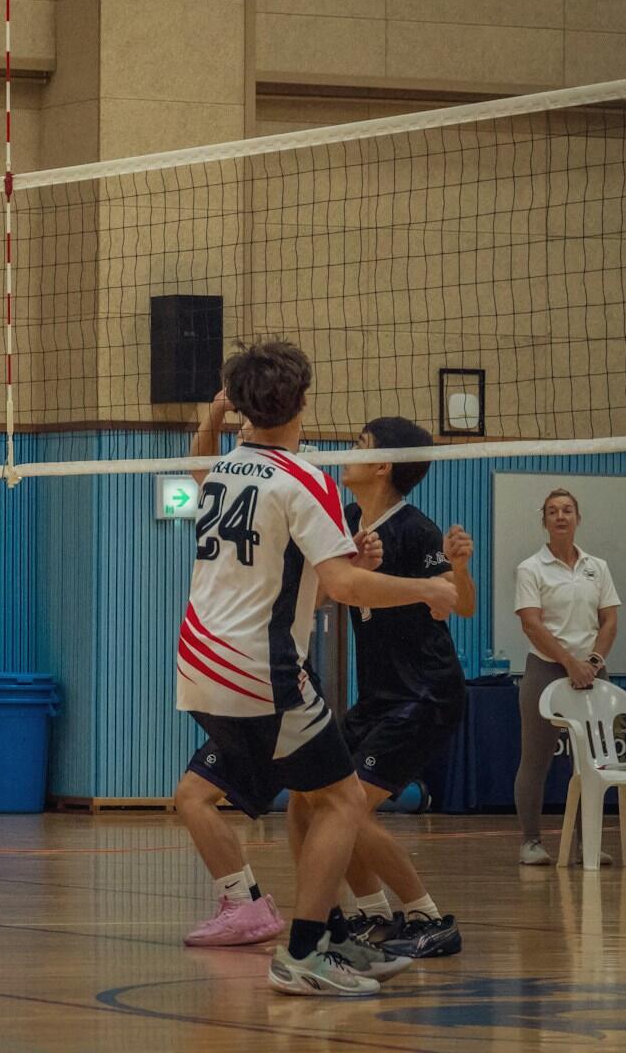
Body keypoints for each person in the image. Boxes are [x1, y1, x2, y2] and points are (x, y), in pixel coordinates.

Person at [172, 345, 457, 997]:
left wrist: (215, 418)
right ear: (303, 402)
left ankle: (325, 937)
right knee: (344, 801)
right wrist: (424, 590)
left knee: (309, 795)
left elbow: (310, 578)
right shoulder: (306, 481)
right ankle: (305, 952)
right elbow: (345, 589)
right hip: (257, 668)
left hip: (198, 664)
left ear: (242, 405)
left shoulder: (224, 471)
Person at [294, 416, 474, 960]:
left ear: (382, 464)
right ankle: (372, 914)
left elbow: (458, 603)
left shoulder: (414, 529)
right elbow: (328, 595)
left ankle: (425, 914)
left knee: (343, 805)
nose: (346, 452)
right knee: (306, 801)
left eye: (359, 445)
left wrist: (460, 568)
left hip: (425, 692)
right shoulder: (348, 521)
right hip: (379, 697)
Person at [513, 487, 621, 867]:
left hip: (593, 671)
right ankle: (530, 841)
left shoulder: (598, 567)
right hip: (546, 669)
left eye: (568, 510)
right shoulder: (531, 568)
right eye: (553, 511)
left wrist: (591, 660)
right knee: (536, 759)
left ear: (578, 518)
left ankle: (586, 843)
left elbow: (609, 619)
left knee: (593, 762)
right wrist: (569, 663)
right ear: (544, 521)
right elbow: (532, 624)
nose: (561, 516)